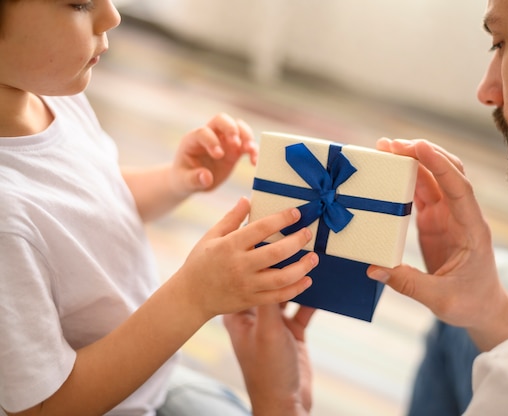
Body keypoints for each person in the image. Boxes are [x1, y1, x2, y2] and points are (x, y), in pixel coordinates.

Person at [224, 0, 508, 414]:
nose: (487, 91)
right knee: (506, 277)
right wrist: (490, 306)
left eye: (501, 43)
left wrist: (279, 403)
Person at [0, 1, 319, 415]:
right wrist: (193, 297)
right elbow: (46, 406)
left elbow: (92, 197)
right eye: (79, 3)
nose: (112, 15)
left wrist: (175, 179)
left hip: (150, 375)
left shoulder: (50, 95)